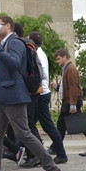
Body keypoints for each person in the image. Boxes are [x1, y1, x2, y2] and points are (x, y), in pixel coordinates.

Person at [0, 15, 62, 171]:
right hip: (3, 96)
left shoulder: (14, 42)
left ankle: (51, 168)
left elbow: (15, 64)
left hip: (13, 95)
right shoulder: (4, 43)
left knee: (23, 133)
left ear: (8, 26)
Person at [28, 32, 66, 163]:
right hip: (40, 93)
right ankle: (39, 152)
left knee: (46, 125)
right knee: (31, 123)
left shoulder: (39, 54)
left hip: (41, 94)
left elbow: (43, 73)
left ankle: (59, 153)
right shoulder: (38, 53)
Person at [54, 49, 82, 142]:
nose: (58, 62)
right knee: (80, 123)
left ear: (65, 57)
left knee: (61, 124)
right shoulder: (67, 69)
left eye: (59, 59)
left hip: (70, 101)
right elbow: (66, 86)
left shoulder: (70, 69)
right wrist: (57, 87)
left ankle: (56, 147)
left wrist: (72, 104)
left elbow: (73, 87)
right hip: (69, 101)